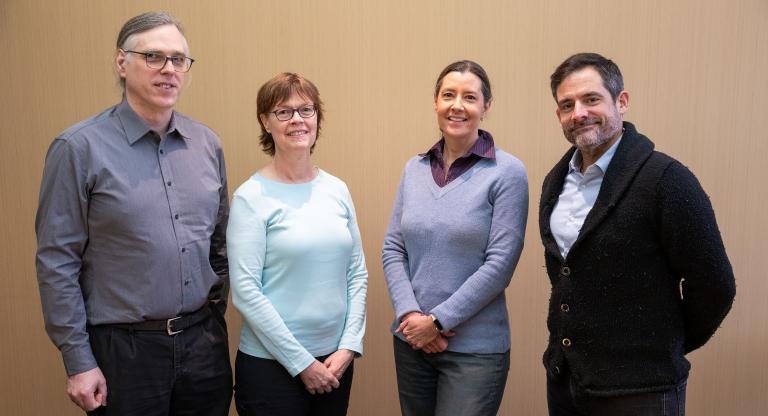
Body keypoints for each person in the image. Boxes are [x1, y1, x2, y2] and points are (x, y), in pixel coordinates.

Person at [35, 12, 232, 415]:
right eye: (154, 56)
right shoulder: (78, 148)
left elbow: (219, 244)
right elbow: (57, 261)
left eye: (179, 60)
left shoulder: (206, 144)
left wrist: (213, 316)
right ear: (122, 63)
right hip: (123, 354)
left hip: (203, 345)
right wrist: (78, 359)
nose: (169, 70)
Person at [540, 52, 736, 416]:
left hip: (641, 388)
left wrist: (662, 345)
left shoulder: (667, 180)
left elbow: (715, 284)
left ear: (622, 101)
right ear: (559, 116)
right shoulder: (555, 182)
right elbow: (566, 274)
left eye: (591, 99)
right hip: (567, 381)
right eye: (567, 105)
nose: (578, 112)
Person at [382, 60, 529, 416]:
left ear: (486, 106)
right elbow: (393, 247)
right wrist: (412, 316)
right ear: (436, 101)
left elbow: (500, 264)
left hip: (475, 353)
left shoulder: (507, 173)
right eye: (448, 94)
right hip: (412, 343)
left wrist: (437, 322)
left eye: (470, 97)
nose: (457, 105)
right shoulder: (414, 168)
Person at [227, 72, 368, 416]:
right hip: (271, 368)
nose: (297, 120)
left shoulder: (337, 189)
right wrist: (302, 363)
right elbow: (245, 290)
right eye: (283, 112)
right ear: (265, 121)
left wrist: (350, 346)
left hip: (335, 364)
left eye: (306, 110)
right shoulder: (251, 197)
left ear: (318, 118)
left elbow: (357, 274)